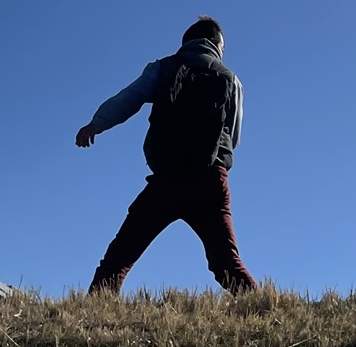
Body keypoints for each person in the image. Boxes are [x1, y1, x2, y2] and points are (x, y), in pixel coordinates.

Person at [76, 16, 258, 295]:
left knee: (119, 256)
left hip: (166, 180)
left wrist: (96, 124)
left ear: (186, 41)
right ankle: (261, 308)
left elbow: (130, 97)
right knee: (226, 262)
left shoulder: (163, 68)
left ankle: (91, 316)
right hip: (210, 181)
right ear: (216, 44)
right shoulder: (230, 78)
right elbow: (233, 137)